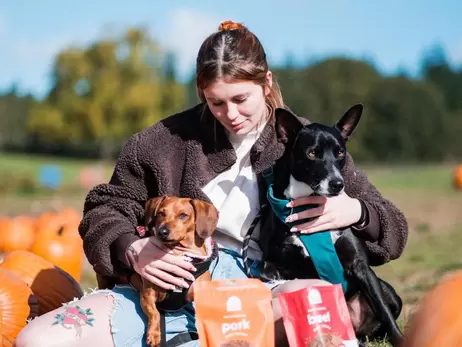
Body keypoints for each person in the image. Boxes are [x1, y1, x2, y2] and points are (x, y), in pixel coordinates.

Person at [15, 20, 408, 347]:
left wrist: (355, 210)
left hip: (265, 288)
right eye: (215, 102)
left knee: (314, 314)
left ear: (266, 84)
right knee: (37, 340)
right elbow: (107, 206)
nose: (230, 114)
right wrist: (132, 248)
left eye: (241, 99)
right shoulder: (161, 143)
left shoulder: (309, 142)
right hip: (171, 289)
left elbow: (393, 229)